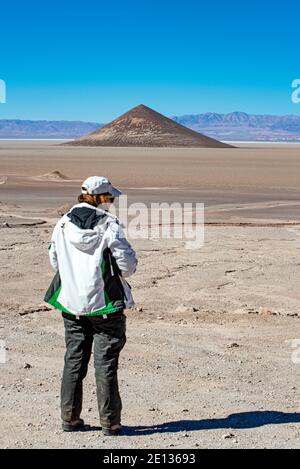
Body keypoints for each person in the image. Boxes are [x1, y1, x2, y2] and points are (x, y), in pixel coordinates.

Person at [44, 176, 137, 436]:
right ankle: (110, 422)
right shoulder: (110, 225)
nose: (113, 201)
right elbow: (127, 267)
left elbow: (55, 260)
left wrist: (75, 276)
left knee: (74, 360)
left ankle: (69, 417)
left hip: (71, 304)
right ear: (102, 197)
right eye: (111, 197)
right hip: (104, 305)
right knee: (105, 364)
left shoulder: (62, 223)